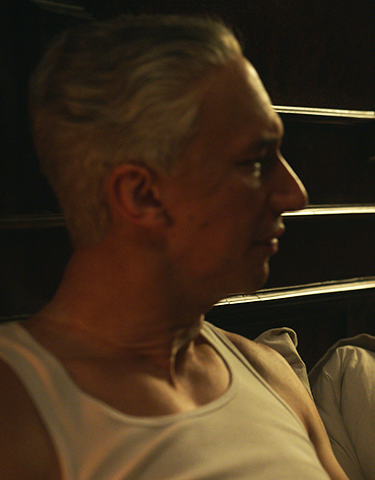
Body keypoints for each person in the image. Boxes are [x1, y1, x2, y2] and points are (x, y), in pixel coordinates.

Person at [0, 14, 349, 480]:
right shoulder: (18, 408)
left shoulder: (270, 375)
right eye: (255, 161)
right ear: (142, 195)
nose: (295, 194)